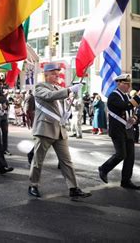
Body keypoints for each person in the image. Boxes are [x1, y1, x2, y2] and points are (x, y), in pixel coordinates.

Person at [28, 63, 91, 200]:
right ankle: (33, 185)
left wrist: (66, 112)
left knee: (66, 161)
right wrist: (69, 90)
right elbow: (50, 96)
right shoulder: (40, 87)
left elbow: (60, 105)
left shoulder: (59, 88)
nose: (57, 75)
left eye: (58, 73)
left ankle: (73, 188)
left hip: (60, 129)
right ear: (46, 75)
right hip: (44, 129)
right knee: (38, 160)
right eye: (54, 73)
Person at [98, 74, 140, 190]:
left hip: (128, 129)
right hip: (118, 130)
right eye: (125, 84)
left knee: (130, 157)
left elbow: (132, 110)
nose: (128, 86)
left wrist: (134, 118)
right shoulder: (114, 96)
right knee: (121, 154)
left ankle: (126, 180)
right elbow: (126, 106)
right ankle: (104, 168)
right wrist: (139, 97)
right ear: (118, 83)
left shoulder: (126, 96)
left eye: (129, 84)